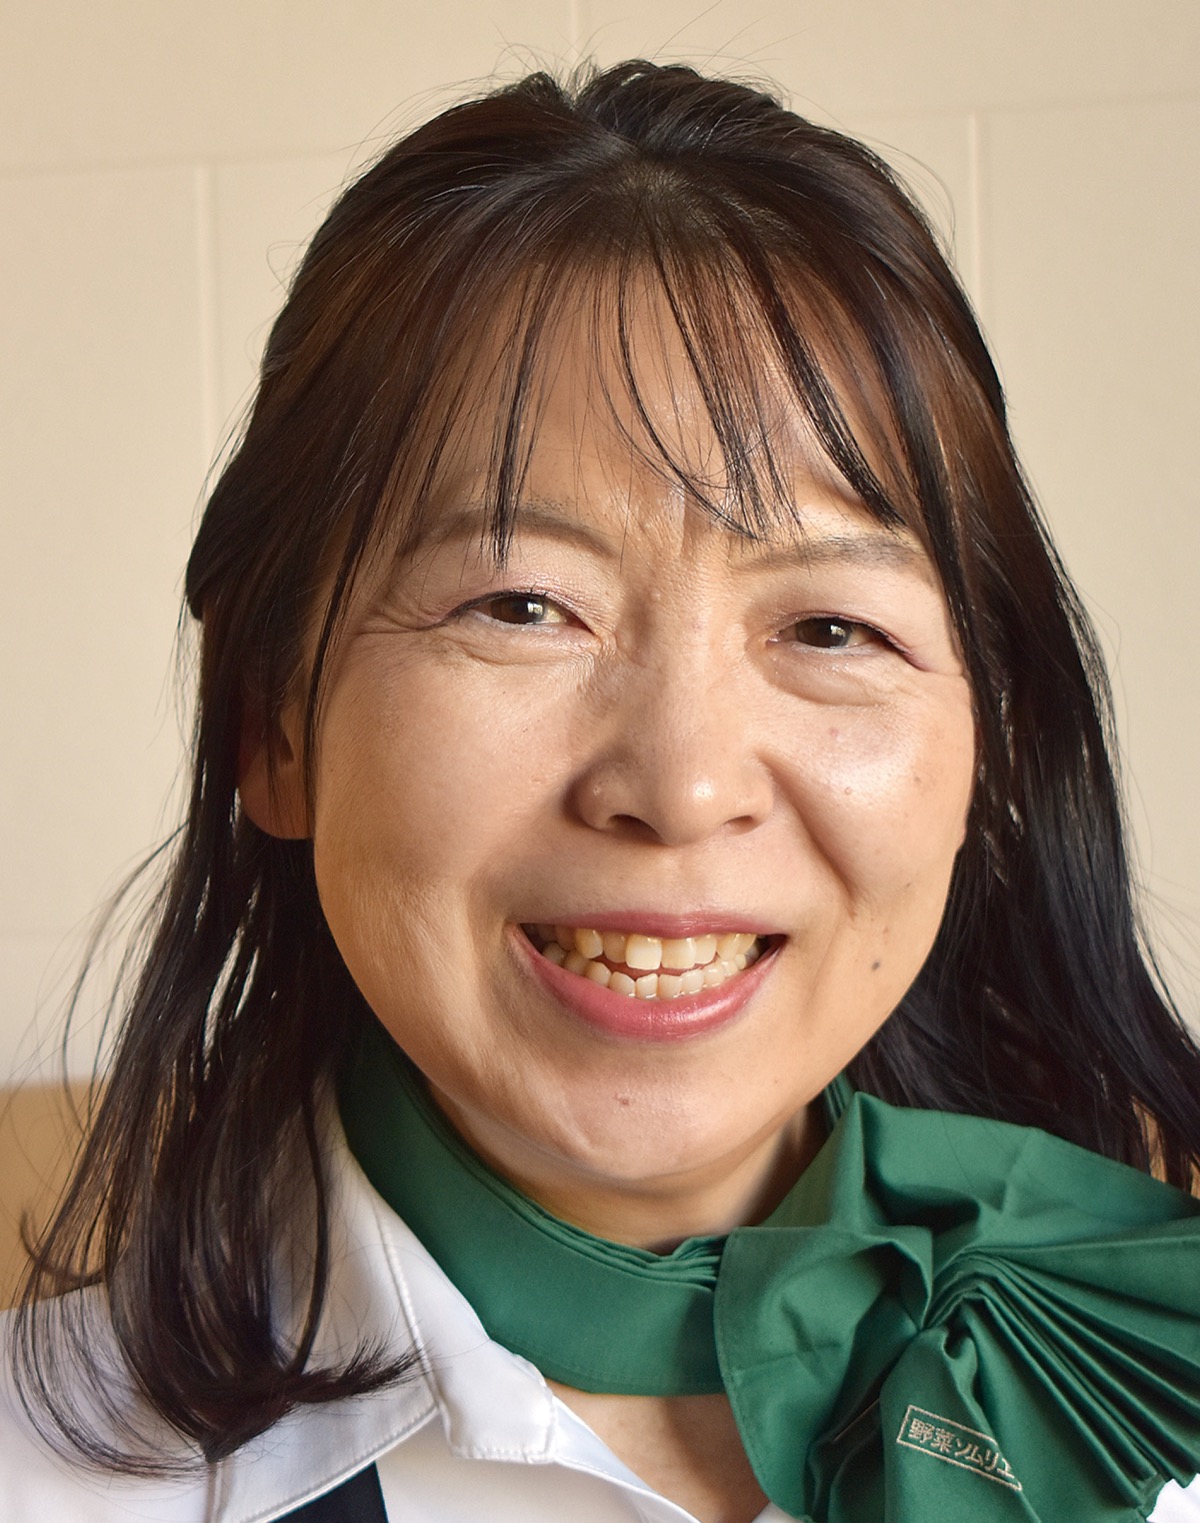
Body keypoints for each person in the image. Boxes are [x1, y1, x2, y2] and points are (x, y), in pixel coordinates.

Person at [2, 58, 1199, 1523]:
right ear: (273, 723)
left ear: (987, 750)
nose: (681, 784)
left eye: (832, 629)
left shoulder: (1156, 1403)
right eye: (521, 606)